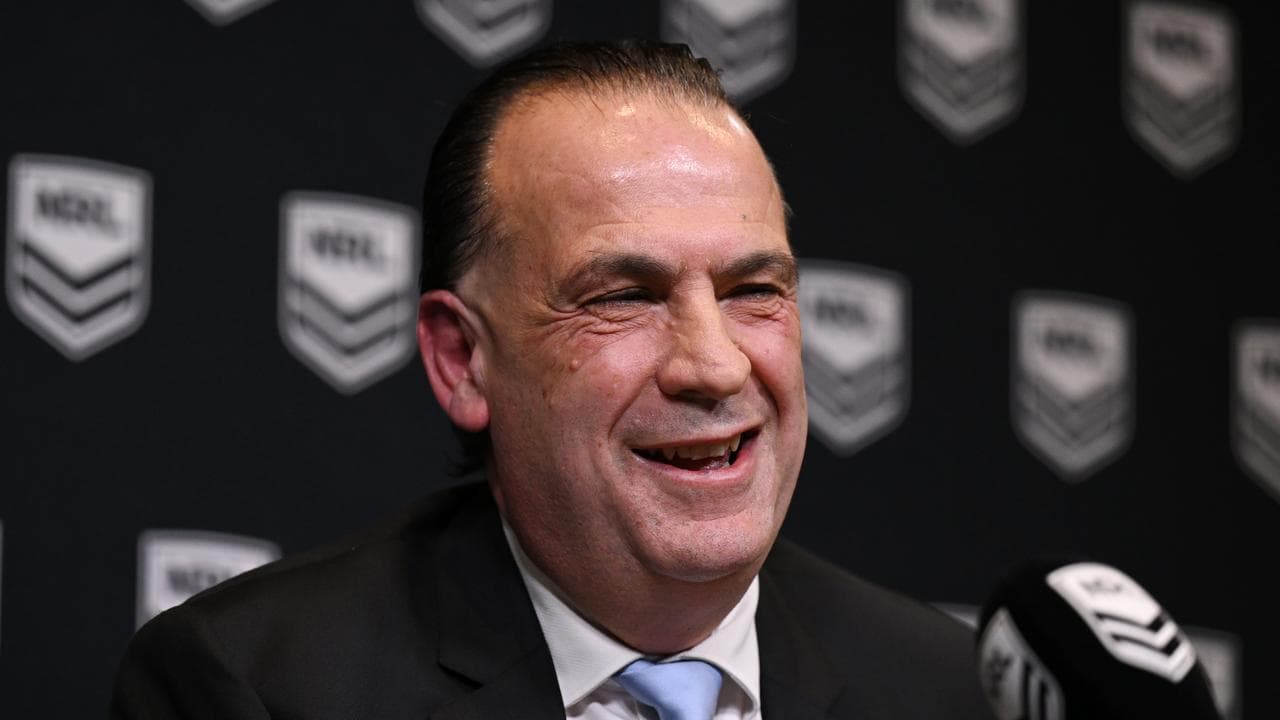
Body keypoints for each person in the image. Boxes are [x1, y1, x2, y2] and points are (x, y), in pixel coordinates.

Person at [111, 40, 991, 719]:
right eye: (624, 297)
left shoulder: (950, 692)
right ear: (462, 360)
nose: (716, 364)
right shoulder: (256, 690)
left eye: (754, 291)